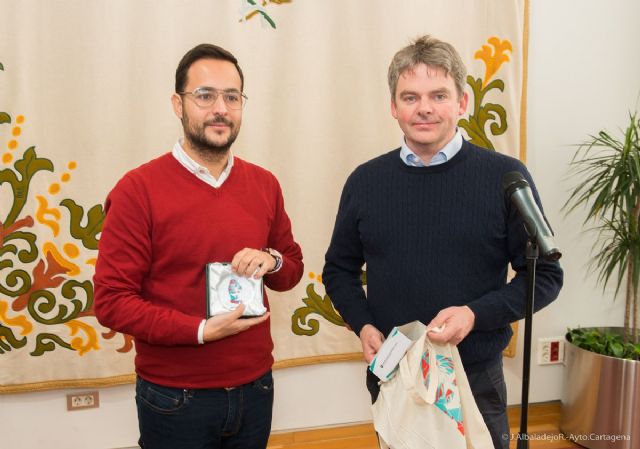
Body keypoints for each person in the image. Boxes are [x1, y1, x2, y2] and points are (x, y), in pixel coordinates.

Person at [322, 35, 563, 449]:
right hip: (394, 370)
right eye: (410, 97)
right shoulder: (365, 181)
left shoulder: (506, 178)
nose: (425, 108)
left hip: (475, 373)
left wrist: (475, 313)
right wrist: (362, 323)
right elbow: (338, 270)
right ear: (394, 107)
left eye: (438, 95)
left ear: (462, 102)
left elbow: (545, 276)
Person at [94, 43, 304, 449]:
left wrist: (270, 260)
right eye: (205, 96)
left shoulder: (264, 184)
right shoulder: (138, 190)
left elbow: (290, 267)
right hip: (175, 396)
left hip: (256, 387)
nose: (220, 109)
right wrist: (201, 330)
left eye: (232, 97)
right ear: (179, 104)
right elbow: (112, 302)